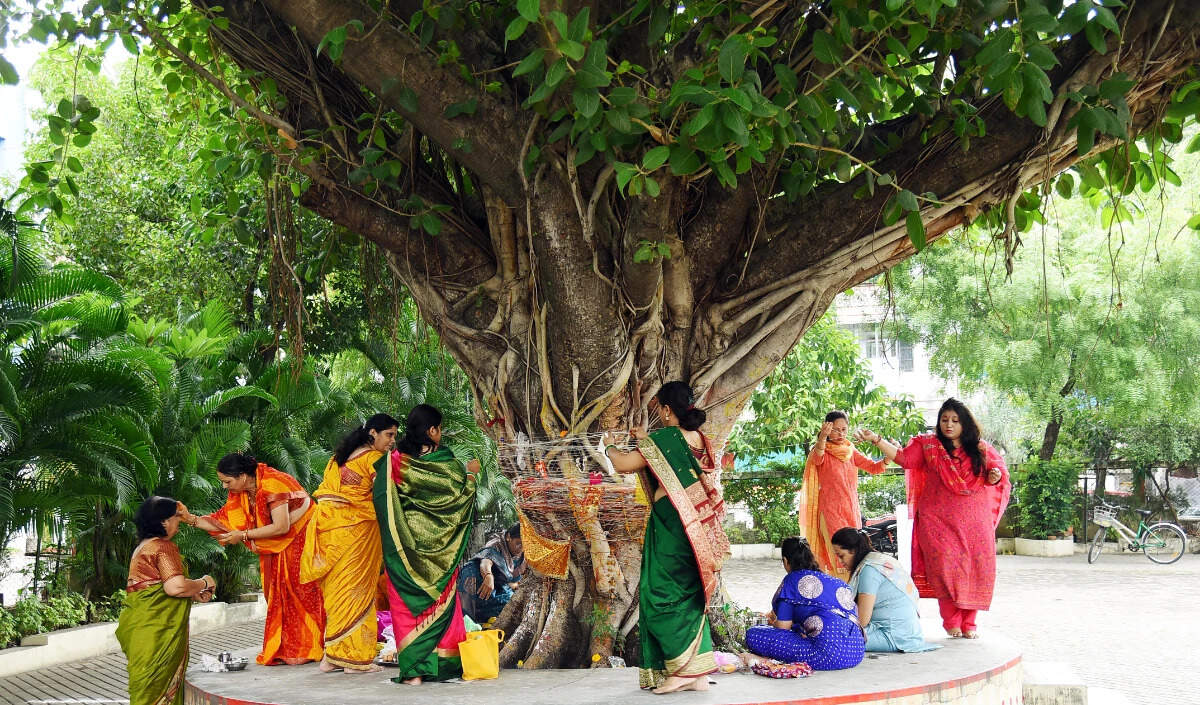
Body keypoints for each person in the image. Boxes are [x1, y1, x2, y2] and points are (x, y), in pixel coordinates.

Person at [602, 381, 729, 694]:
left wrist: (607, 445)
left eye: (658, 408)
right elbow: (673, 459)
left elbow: (623, 464)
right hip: (698, 528)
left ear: (667, 409)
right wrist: (647, 441)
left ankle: (681, 669)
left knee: (658, 594)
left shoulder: (666, 438)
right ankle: (695, 672)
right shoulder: (701, 439)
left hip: (673, 525)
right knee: (689, 593)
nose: (658, 414)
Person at [855, 398, 1010, 639]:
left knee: (973, 569)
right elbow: (904, 458)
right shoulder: (928, 446)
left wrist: (994, 476)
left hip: (974, 523)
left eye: (955, 421)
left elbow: (997, 477)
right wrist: (876, 439)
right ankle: (952, 621)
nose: (949, 425)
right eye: (944, 419)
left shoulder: (981, 449)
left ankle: (970, 623)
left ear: (965, 424)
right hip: (937, 522)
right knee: (946, 569)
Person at [179, 452, 323, 665]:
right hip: (274, 549)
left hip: (301, 542)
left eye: (227, 481)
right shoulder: (242, 492)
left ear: (243, 476)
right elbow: (223, 523)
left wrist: (243, 535)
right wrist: (190, 519)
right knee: (278, 596)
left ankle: (310, 648)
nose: (225, 487)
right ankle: (288, 648)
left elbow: (281, 526)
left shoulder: (273, 484)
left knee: (301, 592)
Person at [374, 404, 480, 684]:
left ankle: (413, 674)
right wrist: (471, 474)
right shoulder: (449, 464)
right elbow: (460, 500)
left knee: (407, 607)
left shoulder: (395, 461)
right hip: (443, 550)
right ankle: (442, 667)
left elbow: (382, 494)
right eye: (439, 429)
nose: (441, 434)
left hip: (405, 547)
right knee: (441, 603)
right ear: (432, 430)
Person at [300, 413, 399, 673]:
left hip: (331, 534)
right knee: (356, 593)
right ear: (373, 433)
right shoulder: (375, 460)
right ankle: (354, 660)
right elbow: (383, 499)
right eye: (389, 435)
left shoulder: (338, 459)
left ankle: (331, 656)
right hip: (356, 535)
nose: (392, 441)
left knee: (338, 594)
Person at [116, 496, 215, 705]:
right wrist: (203, 583)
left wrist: (193, 592)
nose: (178, 524)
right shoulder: (162, 547)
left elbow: (156, 587)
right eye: (176, 518)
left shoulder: (142, 547)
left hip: (140, 629)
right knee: (155, 693)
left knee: (145, 694)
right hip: (157, 633)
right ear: (164, 522)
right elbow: (175, 587)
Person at [741, 537, 865, 671]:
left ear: (785, 561)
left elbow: (783, 628)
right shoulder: (836, 582)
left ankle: (767, 660)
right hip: (856, 652)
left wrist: (772, 623)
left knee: (753, 635)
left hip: (826, 655)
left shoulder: (792, 581)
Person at [799, 410, 888, 581]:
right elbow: (817, 459)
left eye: (844, 430)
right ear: (826, 428)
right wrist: (822, 439)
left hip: (851, 511)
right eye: (836, 429)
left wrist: (888, 458)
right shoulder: (821, 449)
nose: (840, 434)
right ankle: (839, 595)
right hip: (830, 513)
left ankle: (853, 595)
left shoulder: (850, 449)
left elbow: (874, 468)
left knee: (855, 554)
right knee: (838, 556)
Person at [830, 527, 939, 653]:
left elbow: (862, 620)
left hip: (893, 636)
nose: (840, 562)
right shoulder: (879, 560)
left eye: (841, 556)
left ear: (854, 551)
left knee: (832, 639)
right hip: (905, 633)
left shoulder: (869, 570)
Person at [458, 524, 524, 624]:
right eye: (518, 543)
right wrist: (488, 576)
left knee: (511, 605)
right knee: (468, 614)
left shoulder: (519, 555)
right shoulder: (496, 544)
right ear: (508, 537)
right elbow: (486, 562)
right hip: (477, 577)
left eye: (524, 545)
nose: (521, 549)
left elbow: (512, 580)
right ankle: (467, 626)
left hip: (496, 587)